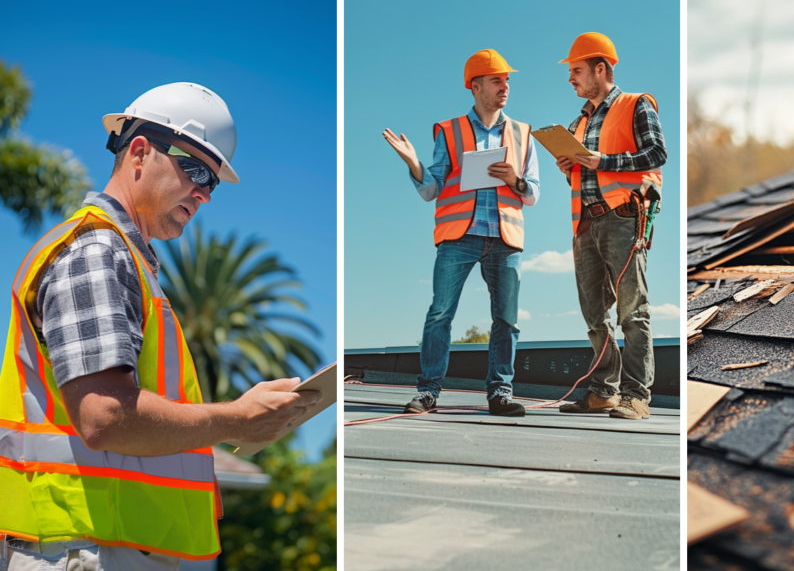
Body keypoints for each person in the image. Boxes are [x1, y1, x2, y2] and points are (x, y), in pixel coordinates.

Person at [0, 83, 322, 570]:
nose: (204, 194)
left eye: (212, 182)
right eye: (194, 169)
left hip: (100, 543)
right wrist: (237, 418)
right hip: (85, 546)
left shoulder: (128, 261)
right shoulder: (97, 251)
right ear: (139, 151)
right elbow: (104, 416)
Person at [383, 49, 540, 417]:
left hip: (505, 240)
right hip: (459, 236)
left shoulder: (522, 133)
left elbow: (533, 192)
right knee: (440, 313)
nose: (505, 86)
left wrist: (513, 180)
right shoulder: (449, 131)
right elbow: (430, 189)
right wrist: (413, 162)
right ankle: (428, 392)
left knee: (507, 319)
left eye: (507, 80)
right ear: (475, 86)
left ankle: (500, 393)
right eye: (497, 80)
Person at [554, 33, 667, 420]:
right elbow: (586, 172)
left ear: (600, 69)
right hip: (585, 223)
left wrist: (602, 161)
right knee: (594, 315)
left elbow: (656, 153)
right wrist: (567, 165)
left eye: (577, 71)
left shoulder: (636, 105)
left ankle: (637, 396)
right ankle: (604, 391)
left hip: (623, 217)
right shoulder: (578, 121)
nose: (571, 78)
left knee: (632, 312)